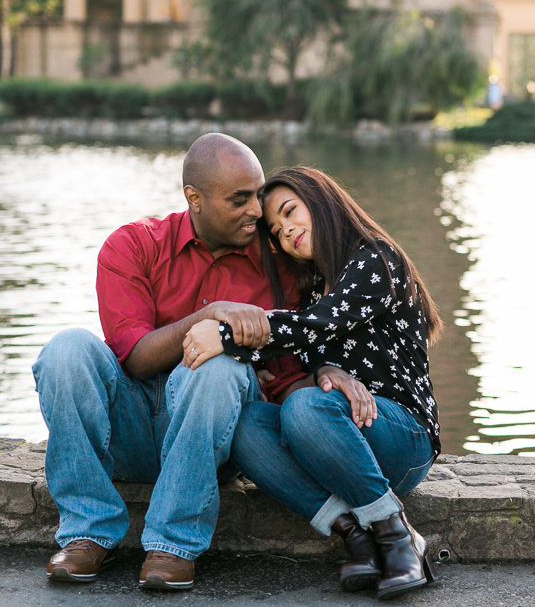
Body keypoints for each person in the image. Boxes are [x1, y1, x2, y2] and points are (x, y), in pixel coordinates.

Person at [32, 133, 281, 591]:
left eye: (260, 195)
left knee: (218, 366)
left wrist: (331, 373)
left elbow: (293, 365)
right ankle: (87, 531)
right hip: (128, 433)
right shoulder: (133, 245)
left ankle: (174, 544)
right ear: (195, 198)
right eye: (240, 199)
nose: (257, 211)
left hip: (211, 442)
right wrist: (209, 315)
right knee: (66, 349)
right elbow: (136, 358)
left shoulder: (279, 263)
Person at [183, 166, 441, 600]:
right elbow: (309, 343)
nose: (287, 232)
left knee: (303, 408)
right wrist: (324, 370)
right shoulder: (313, 285)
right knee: (245, 423)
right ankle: (356, 537)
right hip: (338, 436)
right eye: (277, 230)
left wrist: (225, 335)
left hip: (402, 436)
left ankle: (398, 536)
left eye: (290, 212)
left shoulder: (376, 258)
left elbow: (315, 326)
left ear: (320, 201)